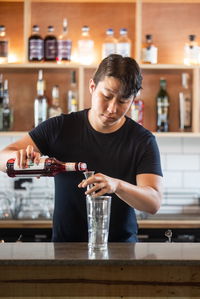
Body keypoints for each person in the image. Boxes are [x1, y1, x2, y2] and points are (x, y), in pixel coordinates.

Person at [0, 54, 163, 242]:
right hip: (64, 251)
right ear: (92, 87)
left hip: (122, 253)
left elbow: (154, 202)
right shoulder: (60, 127)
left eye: (122, 101)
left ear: (133, 99)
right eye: (107, 96)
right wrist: (17, 158)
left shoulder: (142, 140)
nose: (112, 109)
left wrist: (117, 186)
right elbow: (2, 159)